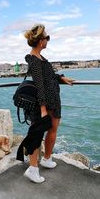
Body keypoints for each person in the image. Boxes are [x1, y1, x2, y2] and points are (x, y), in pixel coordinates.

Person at [23, 24, 74, 183]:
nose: (48, 40)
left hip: (53, 100)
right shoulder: (33, 59)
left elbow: (49, 77)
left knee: (53, 129)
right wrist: (43, 108)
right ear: (40, 41)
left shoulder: (41, 58)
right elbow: (39, 84)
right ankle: (32, 169)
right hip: (44, 103)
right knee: (37, 134)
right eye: (47, 38)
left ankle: (46, 158)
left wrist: (61, 78)